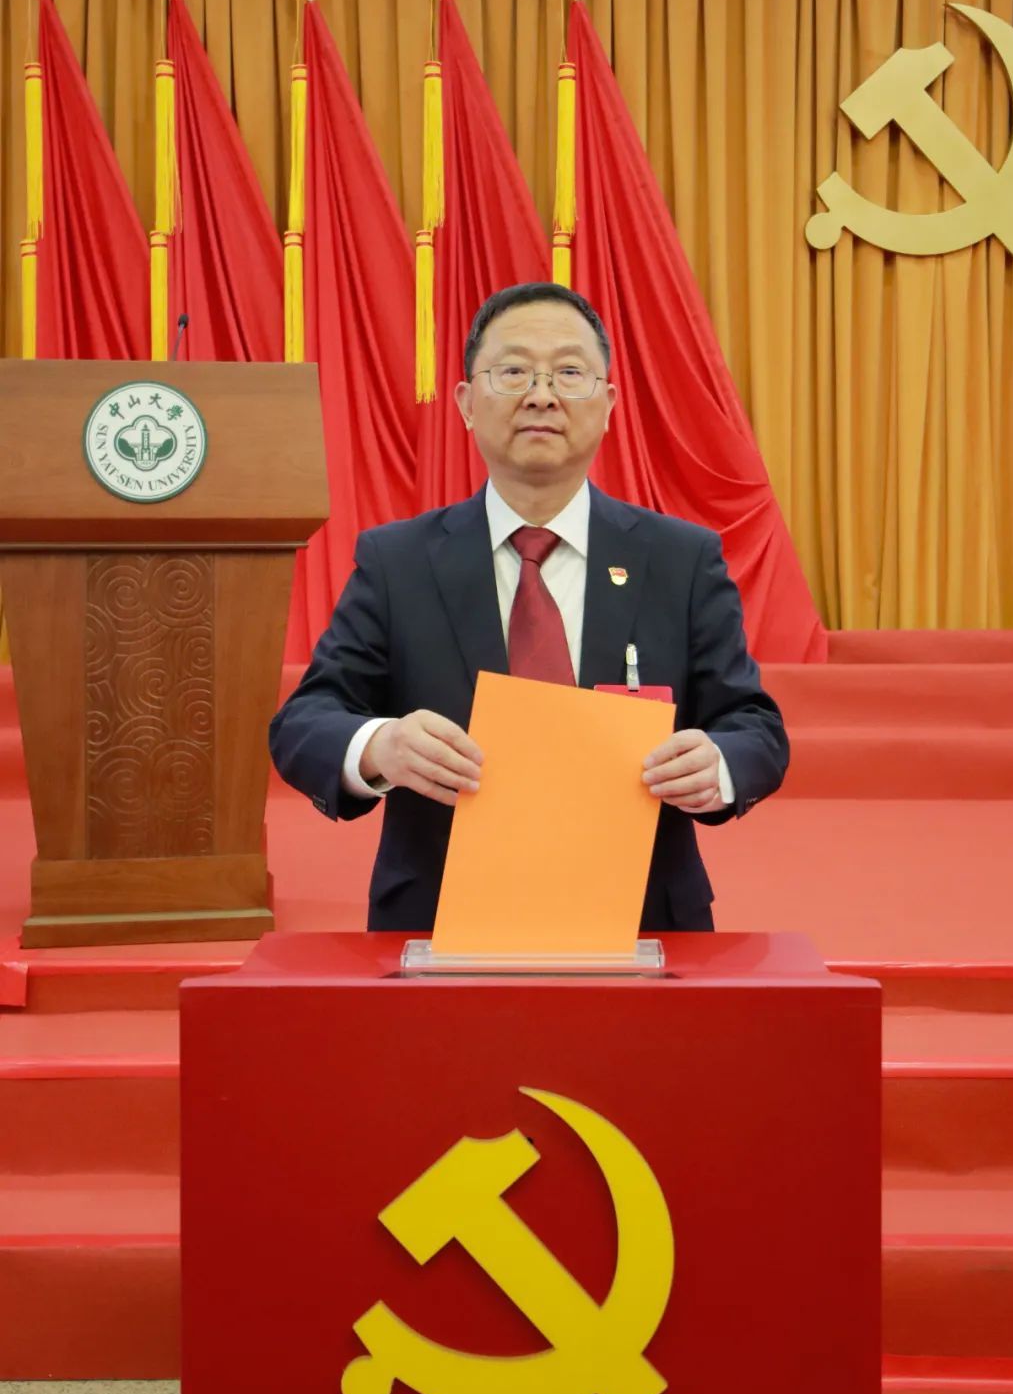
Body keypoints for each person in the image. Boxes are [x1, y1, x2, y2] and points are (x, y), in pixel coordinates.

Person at [269, 282, 788, 932]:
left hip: (642, 920)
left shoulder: (680, 559)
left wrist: (717, 764)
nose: (541, 395)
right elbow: (305, 722)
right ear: (466, 403)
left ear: (608, 404)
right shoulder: (398, 562)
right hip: (438, 920)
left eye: (569, 372)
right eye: (513, 371)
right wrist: (381, 746)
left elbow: (755, 728)